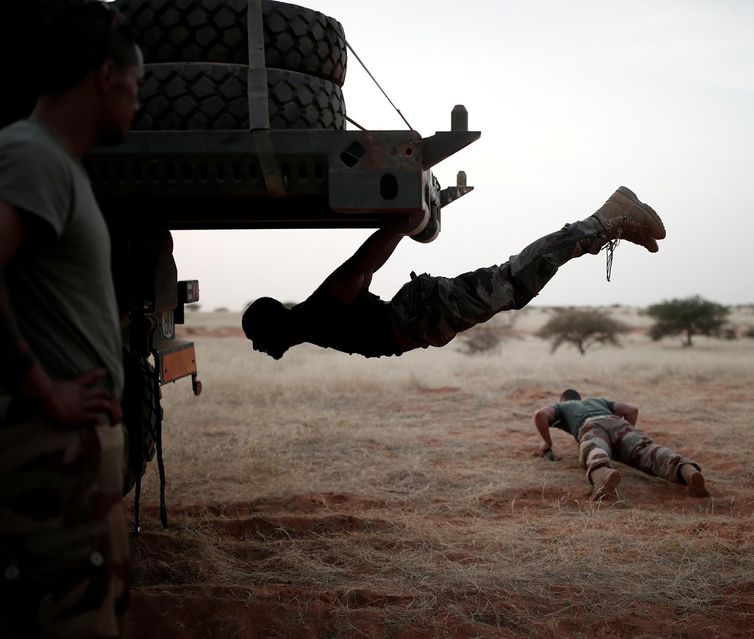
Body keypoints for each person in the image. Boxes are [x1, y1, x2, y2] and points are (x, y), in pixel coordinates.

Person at [0, 2, 143, 636]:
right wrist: (42, 387)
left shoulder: (57, 163)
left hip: (72, 461)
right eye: (137, 85)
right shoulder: (31, 156)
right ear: (105, 74)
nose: (140, 102)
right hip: (47, 455)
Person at [242, 186, 666, 358]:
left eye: (258, 338)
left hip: (423, 314)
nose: (260, 348)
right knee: (516, 283)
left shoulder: (313, 312)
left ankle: (607, 217)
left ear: (273, 322)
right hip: (426, 319)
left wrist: (407, 221)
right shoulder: (310, 321)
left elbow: (362, 266)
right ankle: (615, 224)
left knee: (514, 279)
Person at [533, 389, 708, 501]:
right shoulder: (597, 400)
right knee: (647, 450)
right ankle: (686, 470)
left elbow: (540, 414)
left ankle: (602, 474)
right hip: (618, 423)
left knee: (594, 450)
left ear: (563, 399)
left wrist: (547, 443)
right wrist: (628, 439)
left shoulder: (563, 406)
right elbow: (631, 410)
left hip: (591, 426)